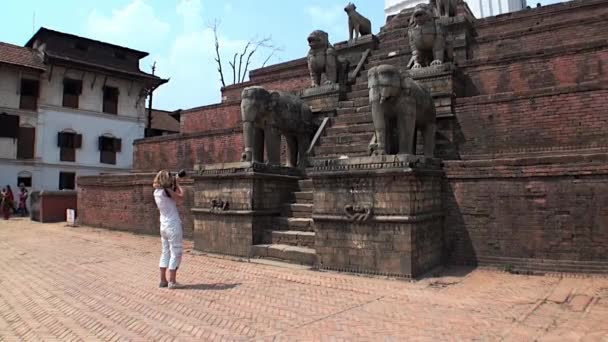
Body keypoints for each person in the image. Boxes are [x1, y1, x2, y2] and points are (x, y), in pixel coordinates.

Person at [152, 170, 184, 289]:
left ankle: (163, 280)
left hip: (163, 225)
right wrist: (178, 185)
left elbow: (171, 197)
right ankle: (172, 281)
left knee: (165, 252)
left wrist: (173, 184)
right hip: (173, 225)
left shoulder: (157, 192)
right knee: (176, 252)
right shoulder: (167, 191)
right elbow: (181, 197)